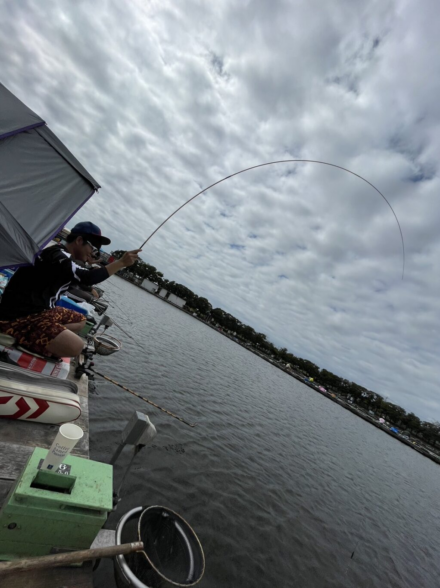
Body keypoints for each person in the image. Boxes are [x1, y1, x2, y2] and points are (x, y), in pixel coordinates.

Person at [0, 222, 141, 358]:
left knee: (81, 319)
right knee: (76, 347)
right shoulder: (56, 256)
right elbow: (87, 277)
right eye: (94, 249)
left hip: (40, 312)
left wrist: (88, 262)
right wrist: (121, 263)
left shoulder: (62, 257)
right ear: (79, 240)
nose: (94, 254)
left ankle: (44, 336)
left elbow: (79, 274)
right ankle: (28, 338)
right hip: (19, 318)